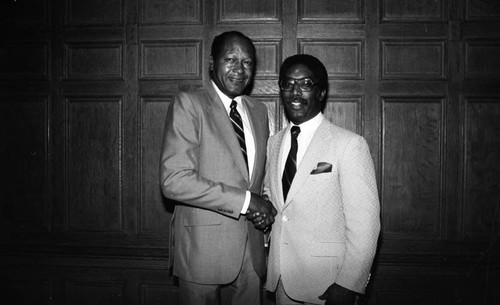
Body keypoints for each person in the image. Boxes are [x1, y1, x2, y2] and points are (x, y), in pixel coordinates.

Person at [159, 31, 277, 305]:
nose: (240, 69)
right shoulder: (189, 103)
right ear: (212, 62)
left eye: (247, 62)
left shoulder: (259, 111)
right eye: (230, 59)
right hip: (201, 250)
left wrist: (264, 208)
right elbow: (174, 180)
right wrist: (248, 203)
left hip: (252, 250)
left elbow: (257, 179)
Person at [262, 54, 381, 305]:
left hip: (329, 285)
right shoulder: (274, 143)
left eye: (305, 84)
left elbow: (366, 225)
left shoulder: (349, 144)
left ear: (322, 92)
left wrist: (349, 284)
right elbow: (276, 200)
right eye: (288, 83)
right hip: (283, 279)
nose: (295, 92)